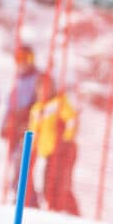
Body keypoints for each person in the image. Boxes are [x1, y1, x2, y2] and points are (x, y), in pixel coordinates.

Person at [28, 73, 80, 215]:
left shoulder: (59, 103)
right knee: (48, 186)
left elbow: (72, 121)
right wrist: (32, 150)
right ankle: (56, 211)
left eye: (47, 87)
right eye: (40, 87)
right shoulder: (36, 109)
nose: (44, 90)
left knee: (60, 186)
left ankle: (71, 213)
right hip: (47, 154)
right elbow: (33, 131)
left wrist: (66, 140)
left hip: (63, 151)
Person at [1, 43, 41, 184]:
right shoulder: (18, 80)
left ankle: (27, 202)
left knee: (22, 172)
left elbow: (41, 102)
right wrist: (5, 124)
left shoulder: (38, 78)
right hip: (15, 130)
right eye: (18, 58)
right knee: (17, 172)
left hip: (29, 131)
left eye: (26, 57)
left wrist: (28, 120)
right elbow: (10, 105)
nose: (22, 62)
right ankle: (23, 200)